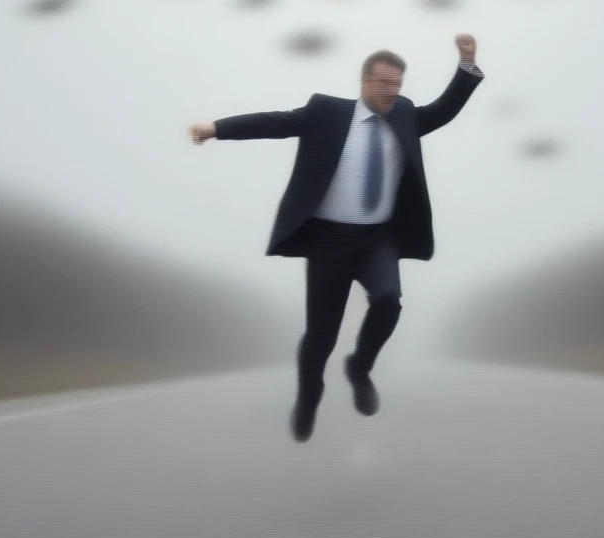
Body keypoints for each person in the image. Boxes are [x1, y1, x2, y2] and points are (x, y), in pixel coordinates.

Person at [188, 34, 484, 441]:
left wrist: (467, 62)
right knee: (320, 336)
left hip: (377, 238)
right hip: (327, 241)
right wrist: (215, 129)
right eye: (384, 84)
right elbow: (276, 123)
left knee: (387, 302)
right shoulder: (326, 111)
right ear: (364, 82)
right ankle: (309, 396)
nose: (391, 93)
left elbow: (446, 109)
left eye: (398, 85)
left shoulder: (405, 115)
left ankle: (359, 367)